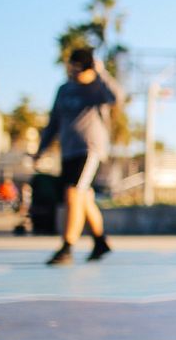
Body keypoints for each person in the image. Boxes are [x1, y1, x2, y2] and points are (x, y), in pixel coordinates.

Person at [33, 48, 121, 265]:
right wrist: (40, 149)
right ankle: (100, 241)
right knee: (84, 197)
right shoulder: (63, 89)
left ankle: (67, 247)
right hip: (69, 150)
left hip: (89, 150)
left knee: (73, 193)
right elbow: (54, 122)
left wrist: (101, 73)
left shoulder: (98, 88)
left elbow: (117, 97)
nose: (76, 73)